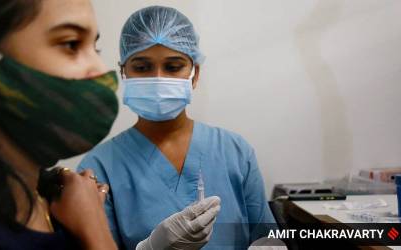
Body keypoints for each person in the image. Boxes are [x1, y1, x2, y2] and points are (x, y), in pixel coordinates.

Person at [78, 5, 277, 250]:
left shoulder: (235, 152)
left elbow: (265, 235)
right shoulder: (98, 168)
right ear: (124, 73)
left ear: (195, 74)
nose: (159, 78)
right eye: (142, 67)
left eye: (173, 67)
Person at [0, 0, 119, 249]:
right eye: (71, 44)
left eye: (95, 48)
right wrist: (96, 231)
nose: (101, 70)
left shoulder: (54, 200)